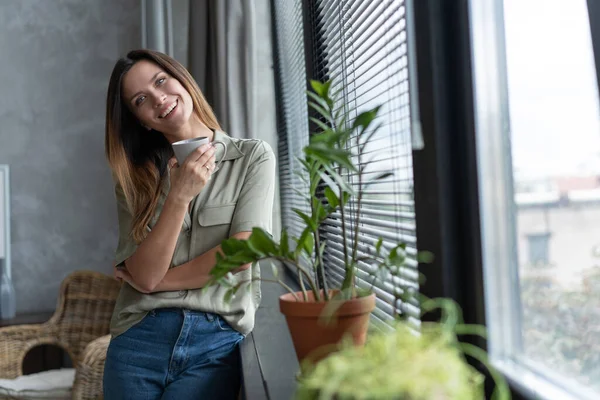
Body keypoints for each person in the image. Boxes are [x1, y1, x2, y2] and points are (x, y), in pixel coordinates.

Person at [102, 49, 275, 399]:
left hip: (215, 345)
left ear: (182, 79)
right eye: (141, 100)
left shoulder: (252, 157)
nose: (159, 99)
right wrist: (179, 196)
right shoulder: (133, 181)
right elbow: (144, 274)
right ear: (143, 121)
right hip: (138, 339)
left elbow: (243, 251)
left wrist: (158, 282)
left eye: (161, 81)